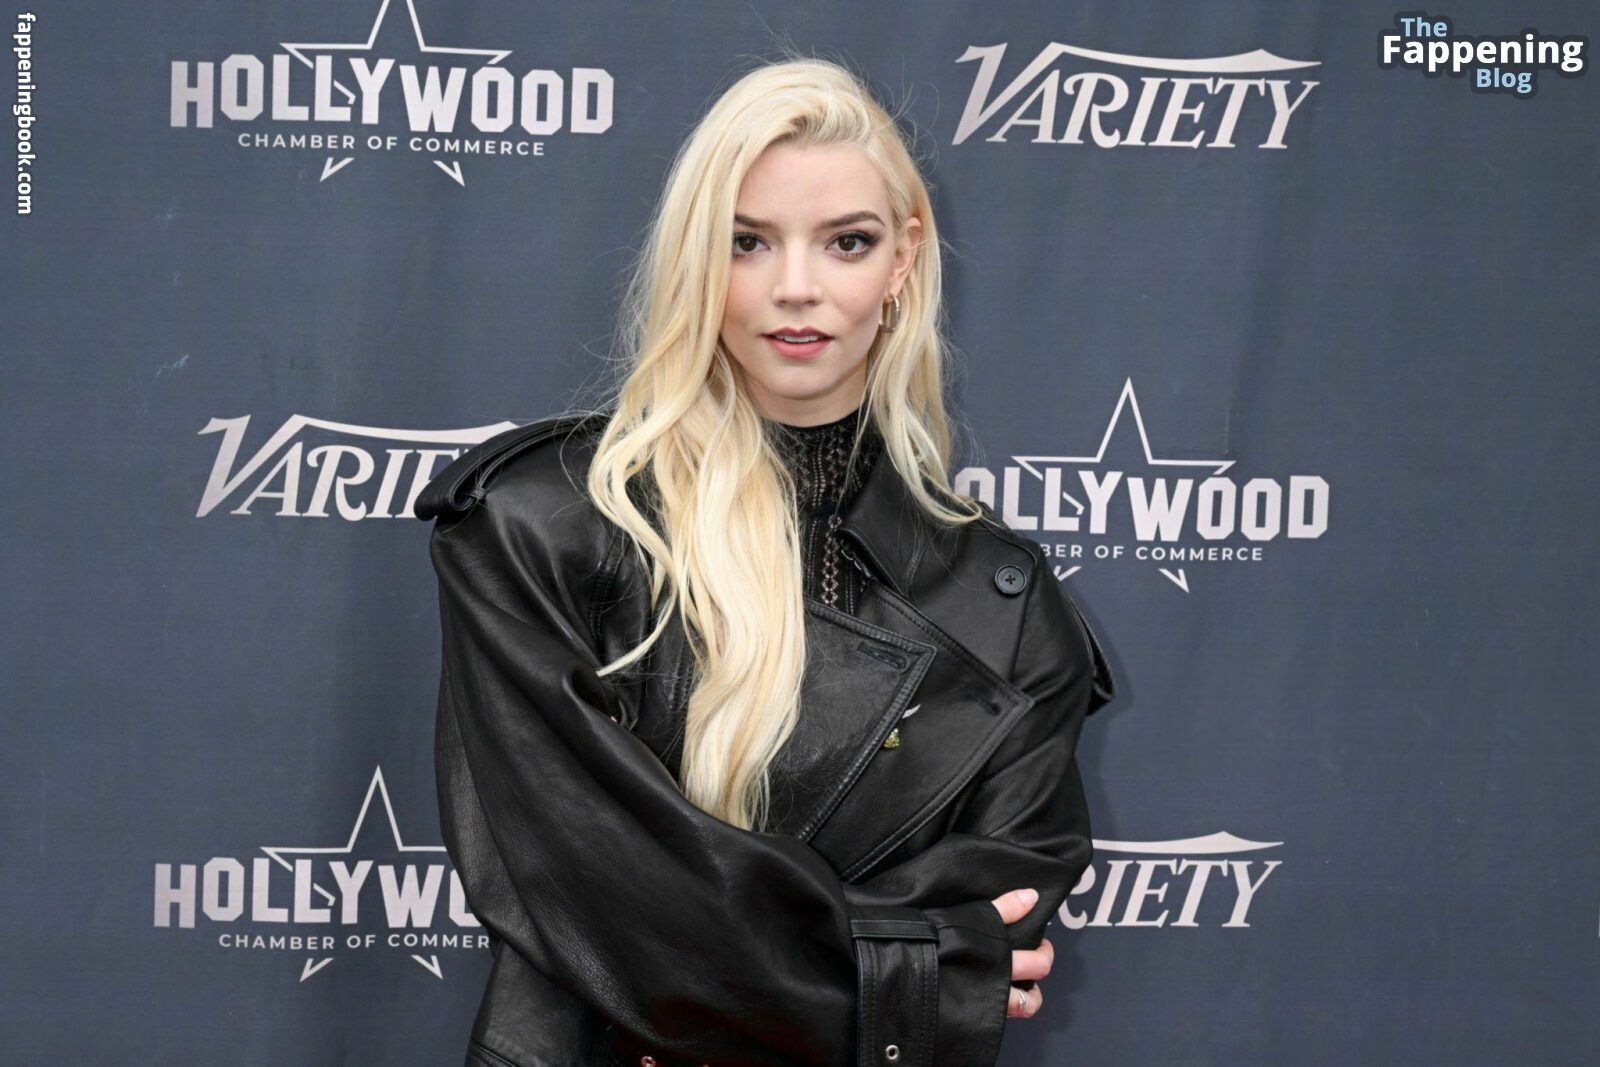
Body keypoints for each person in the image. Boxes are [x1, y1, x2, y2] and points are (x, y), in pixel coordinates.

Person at [418, 54, 1116, 1067]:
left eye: (847, 242)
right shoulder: (539, 529)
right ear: (696, 259)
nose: (796, 288)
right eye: (746, 242)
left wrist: (848, 968)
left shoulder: (1001, 603)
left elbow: (1003, 900)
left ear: (903, 261)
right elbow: (594, 884)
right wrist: (913, 975)